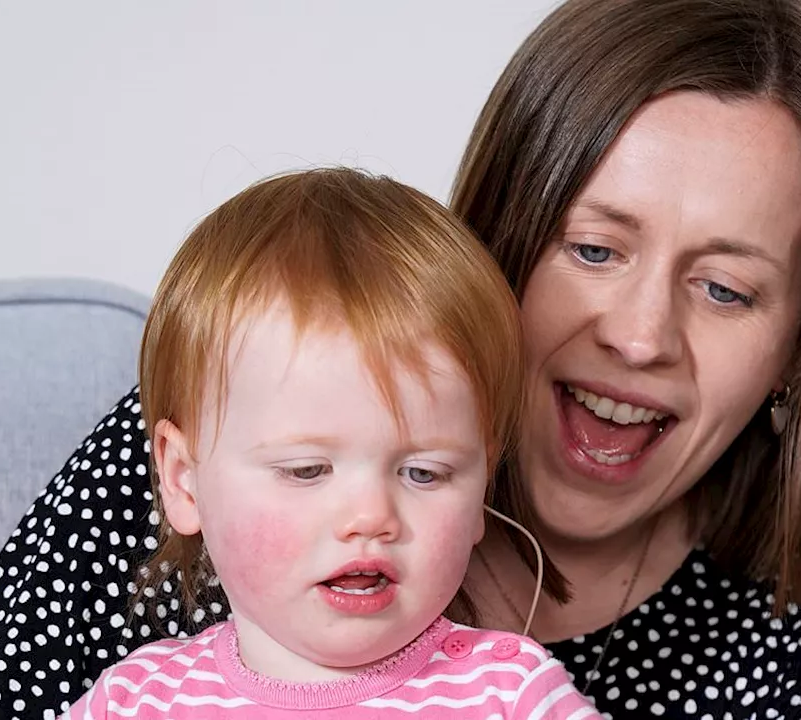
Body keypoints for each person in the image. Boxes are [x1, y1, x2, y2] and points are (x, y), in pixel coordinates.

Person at [0, 1, 801, 718]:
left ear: (800, 346)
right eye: (593, 249)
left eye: (724, 289)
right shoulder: (219, 433)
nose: (639, 336)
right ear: (498, 242)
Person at [54, 168, 599, 719]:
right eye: (307, 470)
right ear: (183, 480)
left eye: (424, 472)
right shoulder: (135, 700)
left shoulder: (510, 694)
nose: (370, 517)